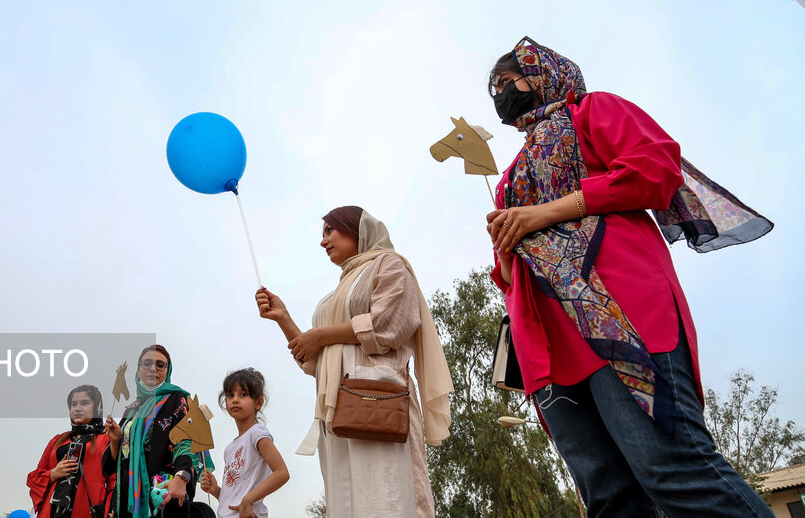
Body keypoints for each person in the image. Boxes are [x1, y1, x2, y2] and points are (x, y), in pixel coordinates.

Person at [484, 36, 773, 517]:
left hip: (621, 312)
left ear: (542, 72)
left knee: (674, 471)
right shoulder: (510, 175)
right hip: (550, 344)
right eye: (492, 89)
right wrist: (508, 248)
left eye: (505, 81)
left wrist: (546, 212)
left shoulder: (592, 112)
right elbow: (509, 273)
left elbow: (655, 167)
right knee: (609, 498)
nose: (499, 95)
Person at [255, 207, 453, 518]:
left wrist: (320, 335)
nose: (324, 242)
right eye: (322, 235)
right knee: (346, 503)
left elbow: (388, 323)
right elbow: (317, 359)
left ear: (357, 229)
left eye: (330, 231)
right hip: (337, 410)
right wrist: (284, 319)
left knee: (387, 498)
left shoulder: (389, 265)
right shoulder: (338, 291)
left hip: (378, 402)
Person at [102, 344, 200, 517]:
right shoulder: (131, 410)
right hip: (127, 493)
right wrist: (116, 440)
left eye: (160, 365)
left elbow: (185, 440)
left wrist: (181, 476)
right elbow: (110, 466)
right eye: (147, 364)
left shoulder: (177, 399)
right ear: (138, 370)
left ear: (167, 371)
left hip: (159, 489)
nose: (153, 368)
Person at [200, 368, 289, 517]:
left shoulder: (257, 433)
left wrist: (249, 499)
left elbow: (282, 473)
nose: (235, 399)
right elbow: (233, 496)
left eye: (243, 394)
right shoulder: (229, 449)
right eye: (230, 395)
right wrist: (215, 490)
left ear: (258, 402)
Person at [27, 384, 113, 517]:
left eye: (84, 403)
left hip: (88, 511)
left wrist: (109, 511)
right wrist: (53, 474)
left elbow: (114, 481)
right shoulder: (57, 440)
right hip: (52, 512)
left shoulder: (107, 439)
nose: (78, 408)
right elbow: (35, 477)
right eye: (73, 404)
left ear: (96, 408)